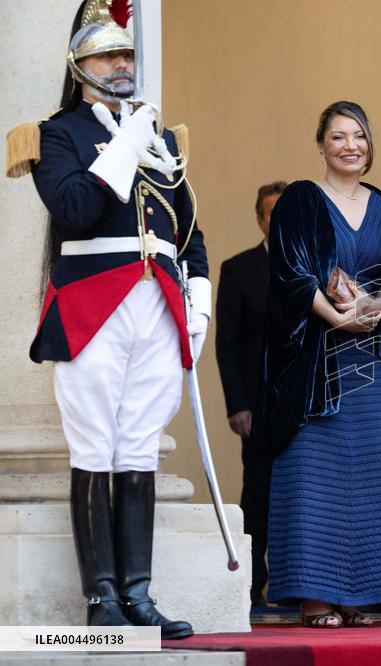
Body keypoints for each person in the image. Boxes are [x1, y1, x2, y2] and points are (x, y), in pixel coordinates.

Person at [6, 0, 209, 638]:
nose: (122, 64)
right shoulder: (53, 133)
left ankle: (139, 594)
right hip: (92, 303)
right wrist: (125, 142)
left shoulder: (162, 136)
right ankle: (102, 598)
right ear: (79, 64)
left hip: (158, 302)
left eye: (127, 54)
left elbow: (189, 230)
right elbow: (74, 210)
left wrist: (198, 300)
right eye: (108, 55)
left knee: (139, 447)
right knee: (94, 446)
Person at [260, 101, 381, 628]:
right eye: (339, 136)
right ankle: (315, 597)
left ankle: (358, 594)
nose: (351, 146)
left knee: (368, 477)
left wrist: (373, 307)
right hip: (314, 365)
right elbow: (292, 275)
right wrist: (338, 318)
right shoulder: (301, 200)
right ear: (321, 143)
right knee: (314, 477)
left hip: (370, 360)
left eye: (360, 136)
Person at [216, 180, 285, 607]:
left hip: (305, 404)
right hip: (256, 406)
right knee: (257, 495)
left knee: (300, 495)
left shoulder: (313, 265)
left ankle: (295, 583)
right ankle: (253, 584)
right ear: (260, 220)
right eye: (272, 215)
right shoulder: (238, 268)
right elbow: (227, 342)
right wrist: (237, 404)